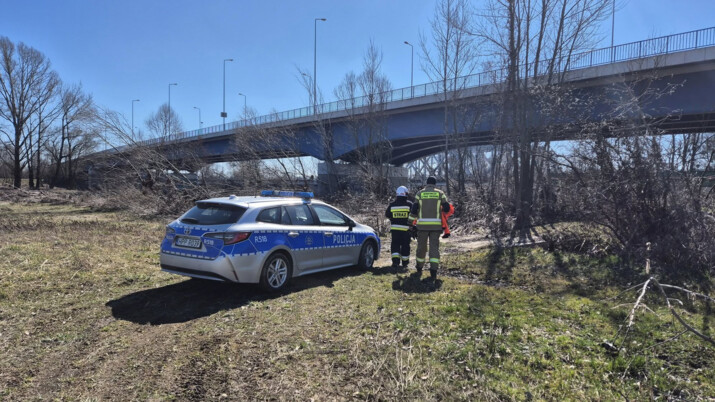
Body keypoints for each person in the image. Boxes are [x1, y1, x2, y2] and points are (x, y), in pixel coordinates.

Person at [409, 176, 450, 280]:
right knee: (434, 248)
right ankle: (434, 270)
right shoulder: (440, 194)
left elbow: (414, 210)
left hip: (422, 227)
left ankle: (419, 267)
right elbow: (446, 208)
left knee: (421, 248)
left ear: (426, 183)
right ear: (435, 184)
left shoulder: (420, 194)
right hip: (436, 227)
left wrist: (410, 223)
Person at [385, 185, 413, 268]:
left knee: (395, 245)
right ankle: (405, 263)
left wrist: (393, 219)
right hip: (406, 230)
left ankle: (395, 262)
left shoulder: (392, 205)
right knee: (405, 246)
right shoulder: (409, 205)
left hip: (395, 230)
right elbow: (413, 215)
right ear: (406, 194)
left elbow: (387, 214)